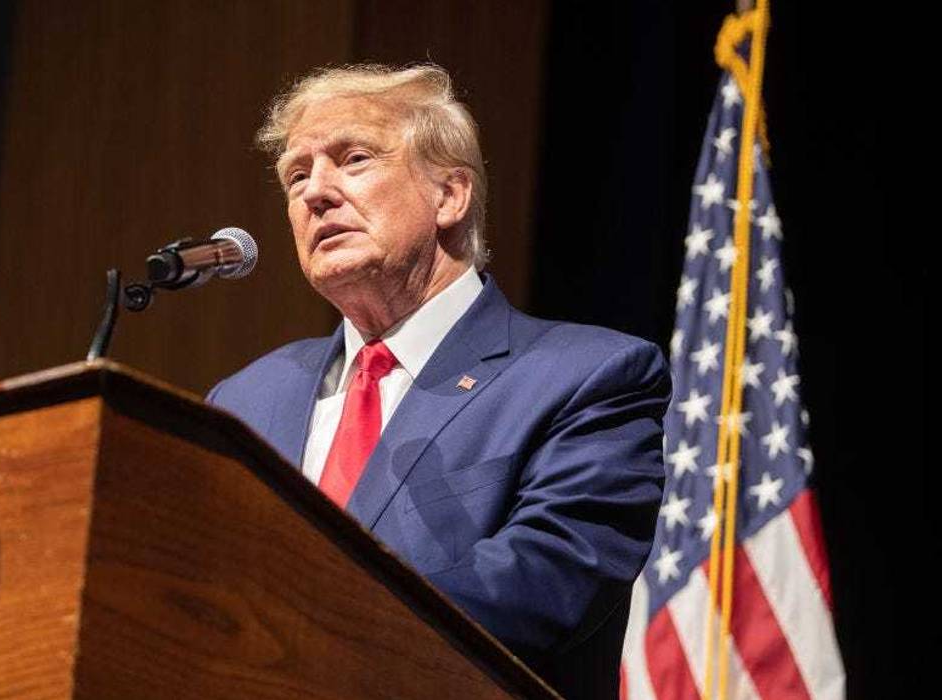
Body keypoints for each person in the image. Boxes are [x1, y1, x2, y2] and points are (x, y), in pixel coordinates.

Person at [207, 63, 669, 698]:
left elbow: (545, 578)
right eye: (296, 174)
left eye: (354, 158)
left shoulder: (585, 376)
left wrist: (310, 626)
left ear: (449, 196)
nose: (315, 191)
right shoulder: (245, 400)